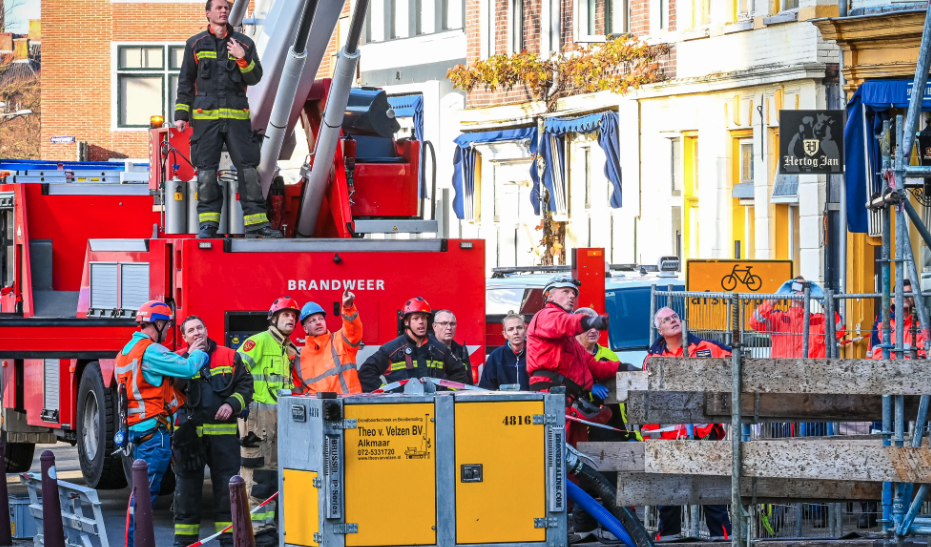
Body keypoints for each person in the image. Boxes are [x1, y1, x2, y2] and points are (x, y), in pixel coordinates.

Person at [174, 0, 281, 239]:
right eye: (219, 7)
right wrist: (181, 114)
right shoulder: (195, 44)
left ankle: (257, 225)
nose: (224, 10)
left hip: (237, 118)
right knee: (207, 173)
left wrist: (243, 58)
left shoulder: (244, 44)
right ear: (207, 13)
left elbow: (255, 78)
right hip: (205, 119)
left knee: (249, 171)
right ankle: (208, 226)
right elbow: (185, 82)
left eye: (227, 7)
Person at [116, 301, 208, 547]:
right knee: (144, 498)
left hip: (138, 430)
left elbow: (152, 389)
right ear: (157, 323)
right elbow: (188, 368)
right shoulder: (151, 350)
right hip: (153, 434)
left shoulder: (127, 350)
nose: (168, 330)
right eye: (167, 325)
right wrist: (198, 350)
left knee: (141, 495)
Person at [642, 306, 731, 540]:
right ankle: (669, 536)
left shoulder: (707, 348)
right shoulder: (652, 358)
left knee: (711, 488)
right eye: (666, 319)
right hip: (667, 435)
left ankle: (722, 537)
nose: (673, 321)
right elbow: (647, 397)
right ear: (659, 329)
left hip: (703, 432)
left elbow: (739, 364)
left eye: (674, 317)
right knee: (669, 492)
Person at [172, 316, 253, 547]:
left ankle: (229, 541)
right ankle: (185, 542)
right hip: (189, 438)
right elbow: (174, 386)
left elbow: (246, 386)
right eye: (191, 331)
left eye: (200, 328)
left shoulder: (229, 355)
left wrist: (232, 404)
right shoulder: (178, 359)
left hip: (224, 437)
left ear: (207, 330)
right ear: (184, 337)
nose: (196, 333)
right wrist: (190, 358)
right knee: (186, 493)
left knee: (226, 494)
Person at [236, 296, 300, 547]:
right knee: (254, 476)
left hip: (276, 421)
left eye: (293, 316)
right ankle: (253, 531)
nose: (291, 319)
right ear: (273, 318)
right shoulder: (259, 342)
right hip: (257, 419)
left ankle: (265, 529)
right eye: (285, 315)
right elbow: (237, 369)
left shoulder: (286, 348)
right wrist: (244, 403)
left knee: (270, 475)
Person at [525, 276, 620, 441]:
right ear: (550, 295)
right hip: (554, 398)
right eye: (566, 291)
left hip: (569, 401)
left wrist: (623, 368)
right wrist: (591, 321)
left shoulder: (571, 341)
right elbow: (564, 322)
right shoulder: (546, 316)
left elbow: (593, 366)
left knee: (573, 457)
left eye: (574, 293)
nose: (572, 296)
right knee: (557, 457)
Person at [359, 297, 471, 392]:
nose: (421, 322)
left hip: (434, 409)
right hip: (403, 411)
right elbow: (366, 373)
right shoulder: (392, 349)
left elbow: (460, 373)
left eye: (423, 317)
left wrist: (448, 393)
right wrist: (386, 393)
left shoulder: (440, 349)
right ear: (406, 322)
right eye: (416, 318)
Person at [749, 276, 845, 358]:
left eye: (805, 288)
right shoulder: (778, 318)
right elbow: (754, 322)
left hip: (813, 375)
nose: (801, 291)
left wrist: (824, 303)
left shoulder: (818, 320)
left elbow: (839, 331)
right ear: (790, 292)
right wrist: (775, 299)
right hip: (784, 374)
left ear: (810, 293)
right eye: (797, 287)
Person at [292, 288, 363, 394]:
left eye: (321, 319)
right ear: (305, 329)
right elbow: (297, 393)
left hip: (349, 406)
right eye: (312, 320)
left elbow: (353, 330)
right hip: (319, 409)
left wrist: (348, 308)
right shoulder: (298, 358)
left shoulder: (340, 340)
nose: (318, 323)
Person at [869, 278, 928, 358]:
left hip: (918, 369)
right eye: (900, 293)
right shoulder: (882, 320)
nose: (905, 296)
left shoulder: (925, 320)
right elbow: (877, 353)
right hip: (889, 369)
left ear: (915, 298)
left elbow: (926, 352)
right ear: (893, 299)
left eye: (909, 293)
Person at [479, 313, 529, 390]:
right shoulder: (496, 356)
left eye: (519, 328)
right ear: (505, 334)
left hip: (532, 401)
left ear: (525, 331)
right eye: (511, 329)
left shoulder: (534, 354)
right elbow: (486, 388)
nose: (516, 332)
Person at [432, 309, 478, 383]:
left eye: (452, 324)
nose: (449, 328)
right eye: (444, 323)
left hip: (460, 394)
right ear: (434, 326)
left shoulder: (461, 351)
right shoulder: (427, 349)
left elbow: (469, 381)